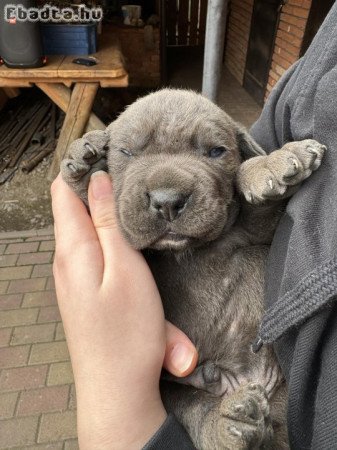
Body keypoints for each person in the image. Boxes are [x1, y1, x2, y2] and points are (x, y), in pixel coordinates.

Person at [51, 2, 337, 448]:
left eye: (214, 151)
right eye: (129, 154)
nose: (166, 195)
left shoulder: (241, 202)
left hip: (283, 383)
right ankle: (216, 430)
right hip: (197, 389)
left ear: (243, 149)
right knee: (186, 404)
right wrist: (82, 179)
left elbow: (262, 213)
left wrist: (257, 173)